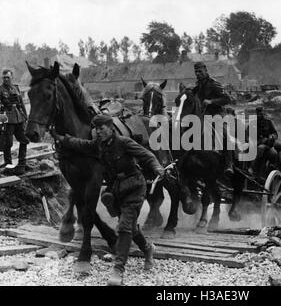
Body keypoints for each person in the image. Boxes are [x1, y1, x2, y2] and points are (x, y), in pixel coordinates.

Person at [51, 114, 165, 286]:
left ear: (111, 128)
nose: (98, 131)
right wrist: (60, 138)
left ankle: (118, 270)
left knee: (124, 227)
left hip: (134, 187)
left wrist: (157, 167)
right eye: (96, 129)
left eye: (101, 128)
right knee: (131, 228)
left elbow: (147, 155)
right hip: (117, 191)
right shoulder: (98, 146)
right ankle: (148, 249)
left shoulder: (124, 142)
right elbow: (79, 144)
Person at [191, 62, 234, 176]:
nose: (198, 74)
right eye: (196, 72)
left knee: (225, 134)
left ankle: (229, 164)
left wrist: (211, 101)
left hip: (218, 114)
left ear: (205, 70)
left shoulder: (213, 83)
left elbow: (227, 99)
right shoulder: (199, 85)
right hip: (204, 115)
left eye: (200, 71)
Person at [0, 69, 29, 174]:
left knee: (24, 140)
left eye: (8, 77)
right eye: (4, 77)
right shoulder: (0, 89)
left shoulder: (16, 88)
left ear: (12, 77)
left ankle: (22, 163)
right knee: (8, 143)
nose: (6, 79)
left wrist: (25, 116)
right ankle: (9, 165)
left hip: (19, 118)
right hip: (7, 120)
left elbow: (21, 103)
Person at [249, 106, 278, 176]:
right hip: (256, 144)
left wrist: (272, 136)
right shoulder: (252, 123)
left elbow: (275, 133)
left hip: (267, 145)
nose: (260, 115)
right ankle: (253, 168)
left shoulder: (268, 122)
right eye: (258, 113)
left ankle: (270, 171)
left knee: (274, 153)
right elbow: (248, 135)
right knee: (260, 148)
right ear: (256, 114)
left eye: (261, 113)